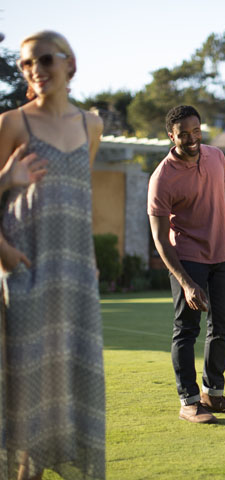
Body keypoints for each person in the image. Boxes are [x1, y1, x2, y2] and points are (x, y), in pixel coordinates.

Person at [0, 31, 105, 480]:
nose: (35, 70)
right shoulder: (12, 124)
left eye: (43, 60)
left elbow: (79, 199)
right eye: (26, 64)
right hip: (25, 272)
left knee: (68, 390)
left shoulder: (91, 126)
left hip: (76, 277)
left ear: (69, 63)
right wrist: (6, 178)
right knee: (27, 397)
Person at [148, 105, 225, 425]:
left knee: (223, 327)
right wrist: (185, 282)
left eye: (196, 131)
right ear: (171, 136)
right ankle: (189, 401)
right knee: (187, 330)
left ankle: (213, 394)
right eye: (183, 134)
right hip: (188, 260)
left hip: (222, 258)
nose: (191, 138)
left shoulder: (217, 157)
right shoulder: (162, 178)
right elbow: (161, 240)